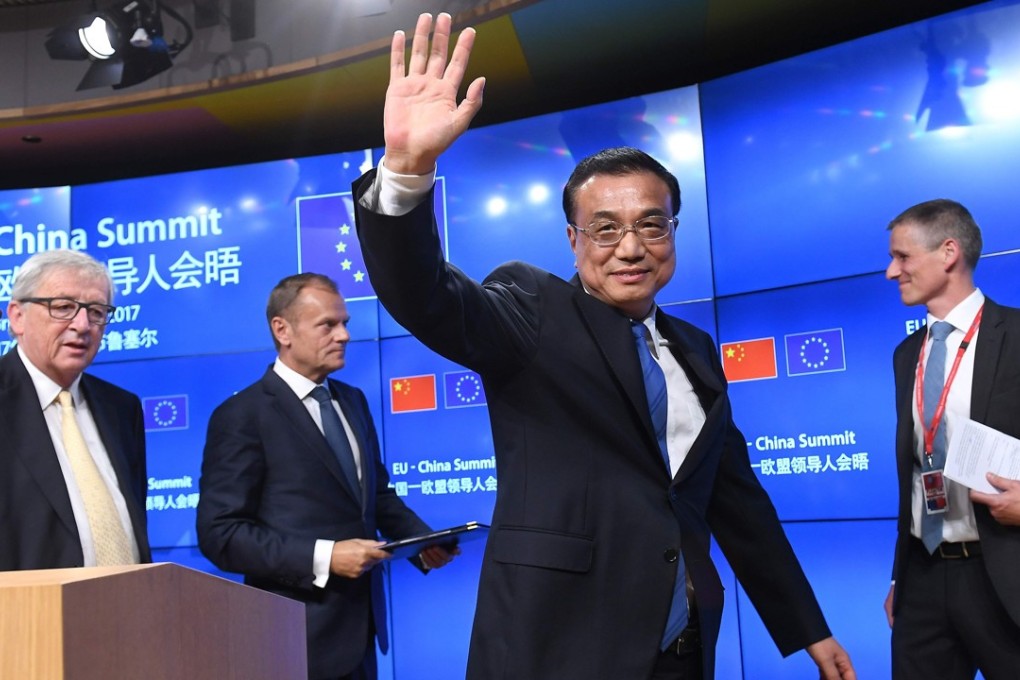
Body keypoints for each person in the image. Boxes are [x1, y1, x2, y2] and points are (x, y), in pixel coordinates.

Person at [351, 12, 856, 680]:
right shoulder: (532, 309)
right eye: (606, 228)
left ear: (673, 232)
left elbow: (736, 503)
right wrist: (408, 172)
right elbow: (428, 298)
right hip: (557, 646)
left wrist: (807, 629)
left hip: (681, 645)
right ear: (573, 241)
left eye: (651, 225)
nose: (631, 247)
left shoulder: (696, 350)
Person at [196, 272, 454, 680]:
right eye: (328, 325)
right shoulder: (242, 416)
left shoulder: (352, 401)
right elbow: (221, 535)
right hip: (287, 639)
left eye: (345, 323)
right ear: (282, 330)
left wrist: (423, 541)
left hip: (359, 636)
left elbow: (376, 495)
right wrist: (326, 557)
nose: (344, 335)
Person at [883, 199, 1020, 679]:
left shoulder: (1018, 334)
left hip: (1005, 571)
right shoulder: (907, 354)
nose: (890, 271)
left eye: (902, 257)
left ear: (948, 252)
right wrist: (900, 575)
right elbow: (916, 470)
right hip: (923, 573)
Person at [0, 248, 150, 571]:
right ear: (17, 316)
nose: (83, 325)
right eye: (64, 307)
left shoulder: (122, 409)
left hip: (128, 612)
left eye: (96, 312)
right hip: (24, 616)